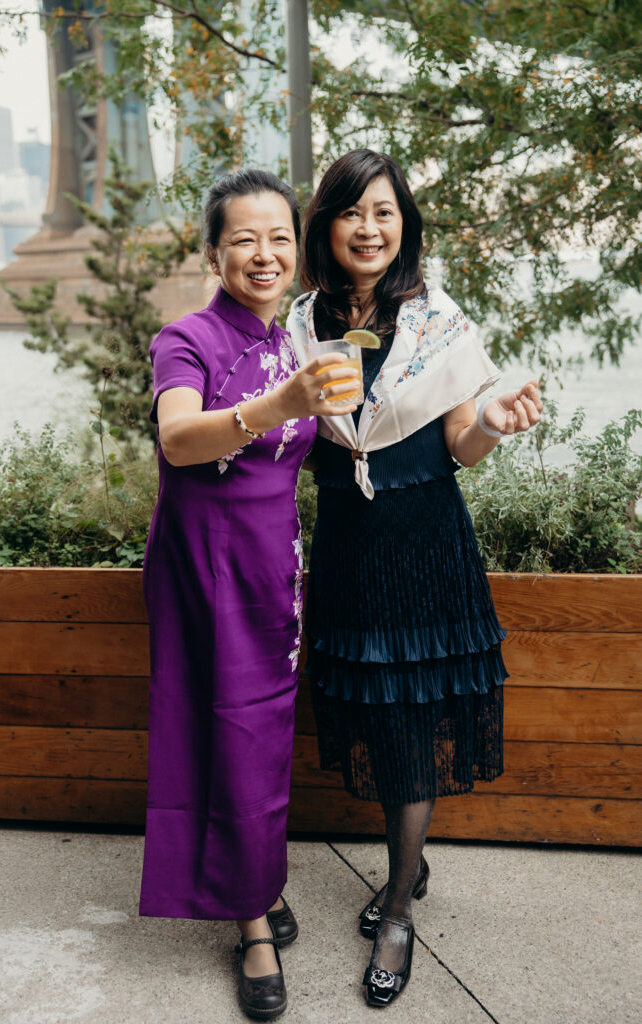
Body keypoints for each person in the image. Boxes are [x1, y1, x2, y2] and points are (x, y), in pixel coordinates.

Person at [287, 149, 543, 1009]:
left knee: (414, 713)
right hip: (349, 551)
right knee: (370, 711)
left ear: (406, 227)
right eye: (353, 212)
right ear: (327, 223)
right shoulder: (297, 322)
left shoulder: (439, 323)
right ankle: (411, 857)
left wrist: (496, 424)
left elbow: (460, 447)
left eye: (385, 213)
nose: (370, 228)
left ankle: (397, 904)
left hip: (426, 545)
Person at [138, 168, 359, 1021]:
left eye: (278, 238)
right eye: (244, 239)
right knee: (229, 734)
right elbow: (180, 437)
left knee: (263, 734)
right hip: (205, 566)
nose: (263, 254)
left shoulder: (293, 339)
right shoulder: (184, 338)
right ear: (213, 251)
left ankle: (256, 877)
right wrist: (279, 403)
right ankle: (253, 920)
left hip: (274, 566)